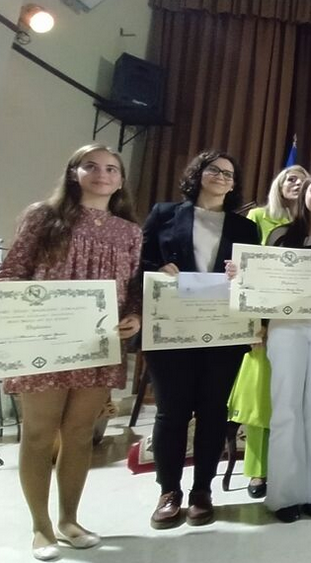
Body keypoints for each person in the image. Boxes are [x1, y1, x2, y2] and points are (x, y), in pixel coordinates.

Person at [1, 144, 142, 561]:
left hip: (99, 343)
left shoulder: (129, 232)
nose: (102, 174)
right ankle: (40, 527)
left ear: (120, 180)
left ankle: (69, 520)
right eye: (91, 166)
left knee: (80, 435)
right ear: (73, 173)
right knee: (39, 433)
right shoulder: (43, 217)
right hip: (46, 343)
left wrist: (134, 316)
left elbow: (133, 286)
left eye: (112, 168)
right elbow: (12, 273)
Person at [141, 150, 259, 529]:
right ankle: (168, 491)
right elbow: (139, 261)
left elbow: (255, 279)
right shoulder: (164, 214)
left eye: (229, 173)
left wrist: (243, 274)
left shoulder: (245, 229)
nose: (222, 177)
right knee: (171, 413)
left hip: (223, 333)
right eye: (214, 170)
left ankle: (202, 491)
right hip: (172, 330)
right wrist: (158, 268)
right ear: (198, 174)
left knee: (213, 412)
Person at [242, 172, 311, 522]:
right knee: (286, 406)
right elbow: (261, 281)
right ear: (303, 195)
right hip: (285, 327)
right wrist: (256, 318)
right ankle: (285, 494)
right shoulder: (280, 235)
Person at [227, 164, 308, 500]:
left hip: (304, 320)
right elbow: (244, 268)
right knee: (263, 399)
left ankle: (289, 464)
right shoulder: (258, 218)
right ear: (279, 183)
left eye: (303, 180)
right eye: (291, 178)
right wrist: (254, 323)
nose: (297, 183)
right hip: (264, 321)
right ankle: (258, 471)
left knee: (296, 398)